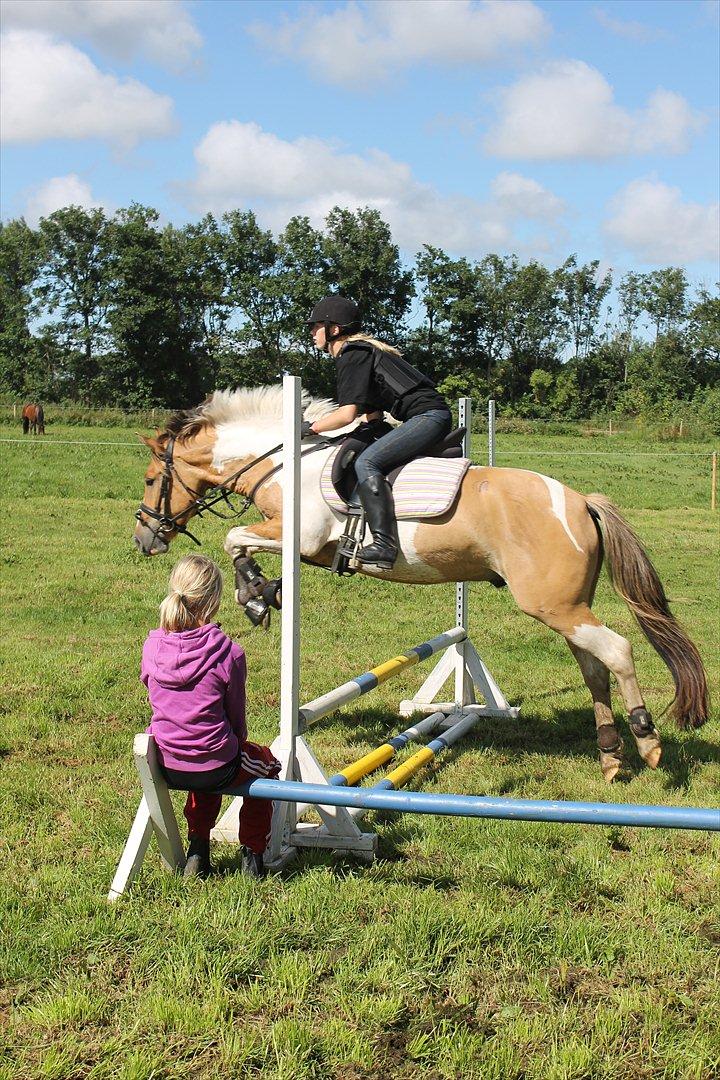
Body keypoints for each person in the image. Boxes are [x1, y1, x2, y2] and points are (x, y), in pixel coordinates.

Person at [141, 554, 280, 879]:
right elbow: (237, 723)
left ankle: (198, 849)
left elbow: (151, 690)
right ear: (214, 601)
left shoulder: (152, 646)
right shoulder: (228, 653)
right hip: (216, 763)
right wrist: (232, 740)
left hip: (164, 763)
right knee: (267, 765)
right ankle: (253, 856)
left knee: (203, 756)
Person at [304, 295, 452, 570]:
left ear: (333, 329)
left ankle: (385, 545)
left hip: (428, 417)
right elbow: (372, 416)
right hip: (425, 416)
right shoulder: (361, 352)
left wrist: (309, 428)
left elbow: (347, 413)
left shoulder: (353, 353)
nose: (312, 332)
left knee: (367, 462)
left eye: (315, 326)